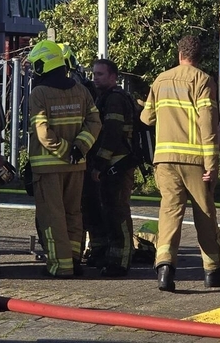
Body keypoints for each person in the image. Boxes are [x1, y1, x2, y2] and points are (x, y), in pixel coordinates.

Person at [142, 35, 220, 291]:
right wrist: (212, 164)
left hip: (164, 160)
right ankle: (213, 271)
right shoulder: (202, 80)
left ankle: (165, 268)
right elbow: (207, 124)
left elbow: (146, 118)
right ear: (198, 56)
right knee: (204, 215)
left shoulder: (160, 80)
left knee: (169, 213)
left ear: (179, 54)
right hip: (194, 160)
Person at [27, 40, 102, 278]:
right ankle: (74, 259)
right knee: (73, 214)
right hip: (76, 165)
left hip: (48, 167)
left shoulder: (39, 93)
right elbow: (94, 123)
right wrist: (79, 149)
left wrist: (64, 150)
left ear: (45, 64)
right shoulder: (82, 91)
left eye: (36, 65)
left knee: (53, 218)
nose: (34, 70)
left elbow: (42, 132)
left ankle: (60, 266)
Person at [84, 58, 136, 277]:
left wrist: (100, 164)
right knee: (106, 211)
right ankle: (106, 254)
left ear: (113, 77)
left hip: (117, 165)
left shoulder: (114, 99)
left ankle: (121, 260)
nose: (95, 78)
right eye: (94, 74)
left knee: (118, 213)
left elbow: (112, 134)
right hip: (110, 165)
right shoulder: (103, 98)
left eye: (100, 74)